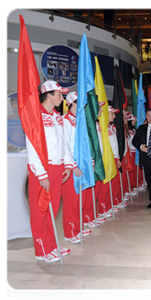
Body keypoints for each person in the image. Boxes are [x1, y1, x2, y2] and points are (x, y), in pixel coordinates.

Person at [27, 80, 72, 262]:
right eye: (59, 94)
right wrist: (42, 174)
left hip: (57, 168)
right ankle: (41, 250)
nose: (62, 98)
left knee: (52, 210)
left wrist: (68, 165)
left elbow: (64, 144)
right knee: (40, 211)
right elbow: (33, 147)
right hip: (42, 170)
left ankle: (52, 245)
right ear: (48, 95)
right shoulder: (35, 116)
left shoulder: (57, 116)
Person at [62, 92, 92, 244]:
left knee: (81, 198)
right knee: (71, 201)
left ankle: (78, 227)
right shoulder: (65, 121)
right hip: (71, 166)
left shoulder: (79, 121)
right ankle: (70, 231)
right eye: (77, 103)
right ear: (70, 104)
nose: (81, 106)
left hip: (82, 165)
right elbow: (65, 145)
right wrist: (73, 166)